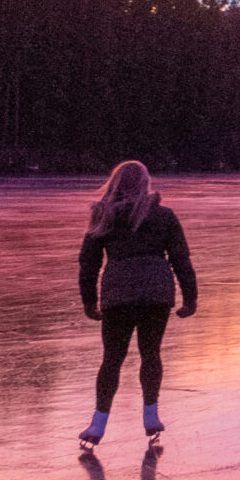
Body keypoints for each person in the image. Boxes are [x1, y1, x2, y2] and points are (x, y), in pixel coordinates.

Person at [77, 160, 197, 445]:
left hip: (118, 294)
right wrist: (190, 297)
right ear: (146, 183)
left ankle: (98, 425)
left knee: (112, 359)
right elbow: (181, 259)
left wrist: (89, 301)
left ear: (114, 183)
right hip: (156, 293)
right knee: (151, 353)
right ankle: (151, 417)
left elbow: (88, 264)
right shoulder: (164, 216)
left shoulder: (103, 216)